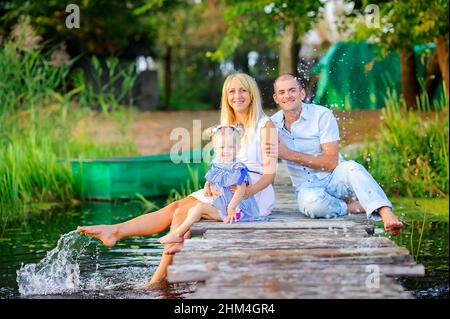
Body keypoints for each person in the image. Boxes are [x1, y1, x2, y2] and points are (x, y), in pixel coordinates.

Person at [77, 72, 278, 284]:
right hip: (226, 187)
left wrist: (244, 192)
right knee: (175, 207)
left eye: (243, 90)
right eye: (231, 91)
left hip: (253, 194)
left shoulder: (265, 126)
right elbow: (220, 164)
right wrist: (210, 185)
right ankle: (115, 231)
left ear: (252, 93)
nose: (237, 96)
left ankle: (158, 280)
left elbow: (270, 176)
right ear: (225, 96)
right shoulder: (228, 126)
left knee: (183, 212)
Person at [268, 73, 403, 235]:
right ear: (276, 98)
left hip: (335, 178)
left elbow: (331, 162)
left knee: (352, 167)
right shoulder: (271, 125)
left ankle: (385, 211)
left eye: (292, 90)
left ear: (302, 94)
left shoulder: (322, 115)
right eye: (282, 92)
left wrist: (288, 154)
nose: (287, 96)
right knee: (311, 205)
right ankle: (353, 206)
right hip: (307, 188)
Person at [159, 125, 264, 246]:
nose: (226, 151)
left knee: (199, 208)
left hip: (236, 212)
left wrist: (231, 208)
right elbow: (211, 177)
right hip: (222, 205)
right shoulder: (217, 163)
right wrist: (207, 185)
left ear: (238, 148)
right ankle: (184, 239)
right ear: (214, 147)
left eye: (231, 147)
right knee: (193, 210)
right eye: (222, 147)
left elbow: (241, 190)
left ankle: (177, 235)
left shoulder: (237, 168)